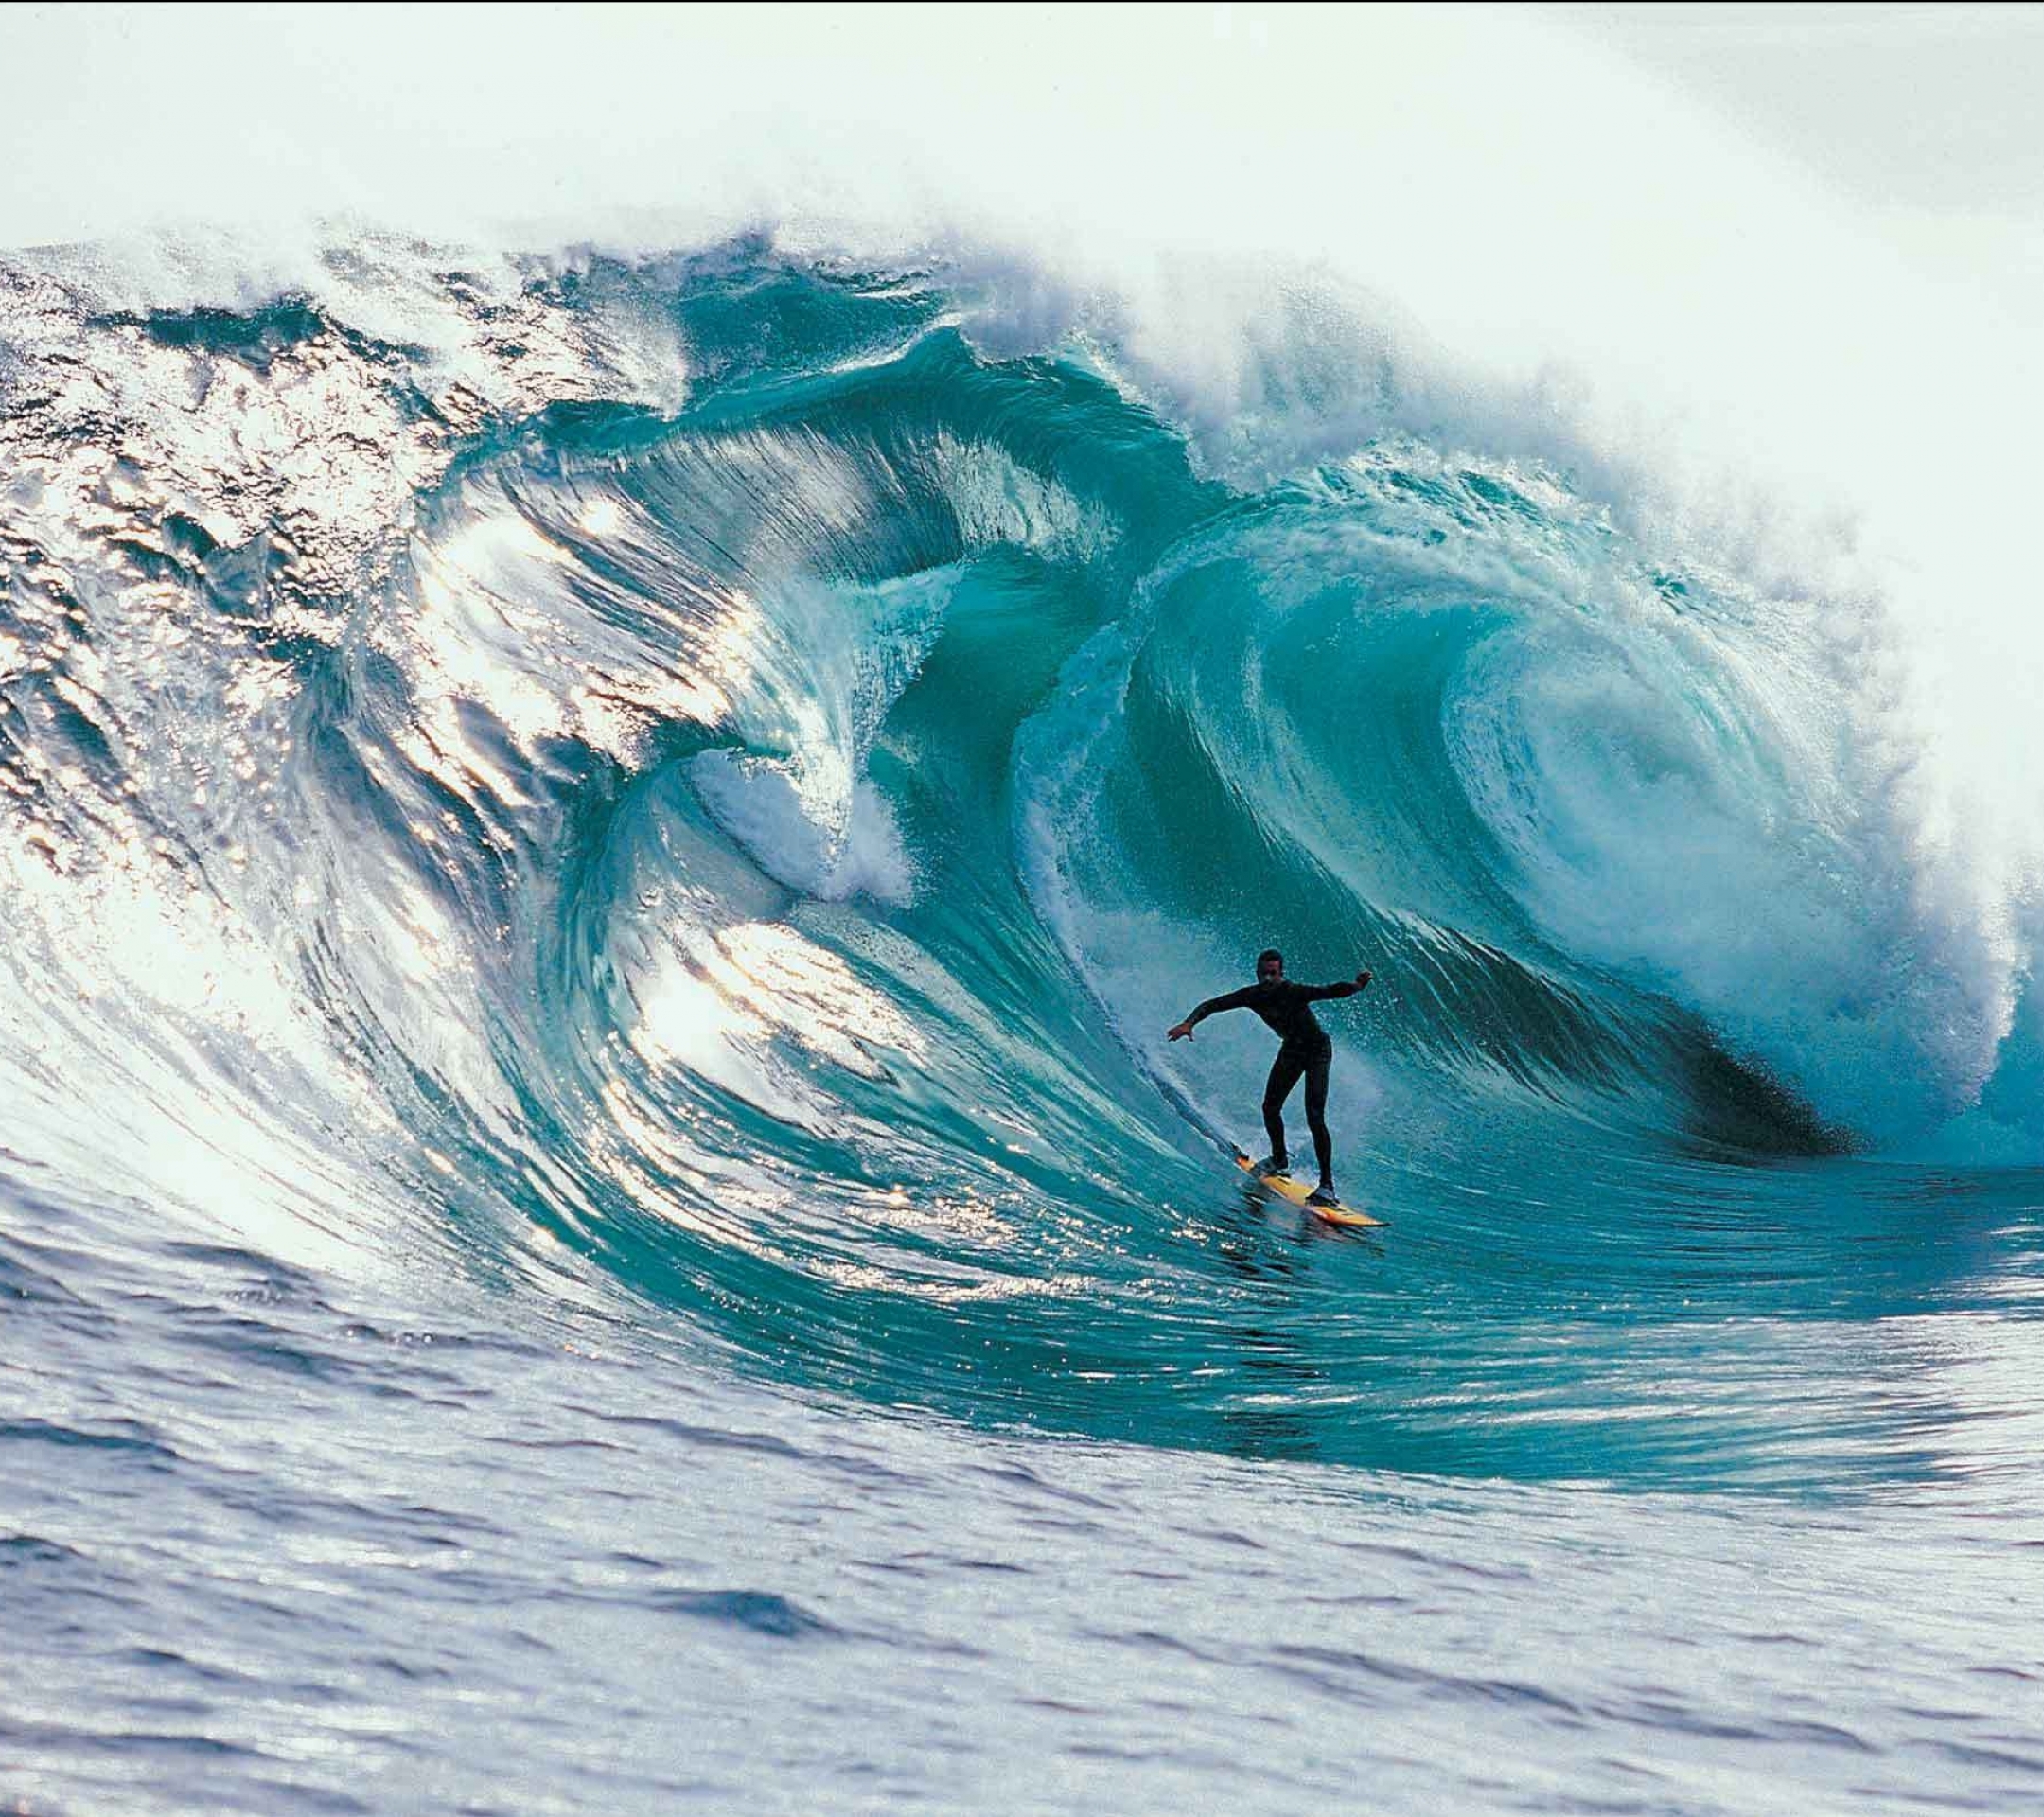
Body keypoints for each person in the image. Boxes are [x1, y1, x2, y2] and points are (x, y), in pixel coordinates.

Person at [1168, 949, 1372, 1208]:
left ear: (1281, 973)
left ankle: (1327, 1186)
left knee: (1315, 1116)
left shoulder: (1293, 991)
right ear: (1257, 973)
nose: (1268, 978)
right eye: (1264, 973)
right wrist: (1189, 1023)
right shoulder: (1252, 996)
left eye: (1273, 973)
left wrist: (1356, 986)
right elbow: (1212, 1005)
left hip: (1318, 1051)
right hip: (1292, 1050)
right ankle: (1279, 1160)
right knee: (1270, 1107)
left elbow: (1330, 990)